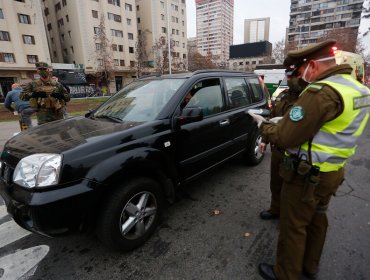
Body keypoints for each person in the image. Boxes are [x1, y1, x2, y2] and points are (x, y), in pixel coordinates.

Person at [249, 39, 370, 280]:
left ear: (312, 66)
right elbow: (328, 127)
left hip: (306, 174)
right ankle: (310, 267)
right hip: (333, 170)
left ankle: (286, 274)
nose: (300, 76)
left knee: (294, 226)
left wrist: (265, 127)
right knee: (317, 219)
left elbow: (286, 137)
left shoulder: (321, 92)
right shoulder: (359, 90)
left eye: (301, 69)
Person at [259, 68, 302, 220]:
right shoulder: (283, 95)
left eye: (292, 77)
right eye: (287, 77)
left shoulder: (307, 98)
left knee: (290, 187)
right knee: (275, 182)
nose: (289, 80)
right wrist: (264, 140)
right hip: (277, 149)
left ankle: (288, 216)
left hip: (294, 152)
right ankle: (275, 209)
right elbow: (271, 118)